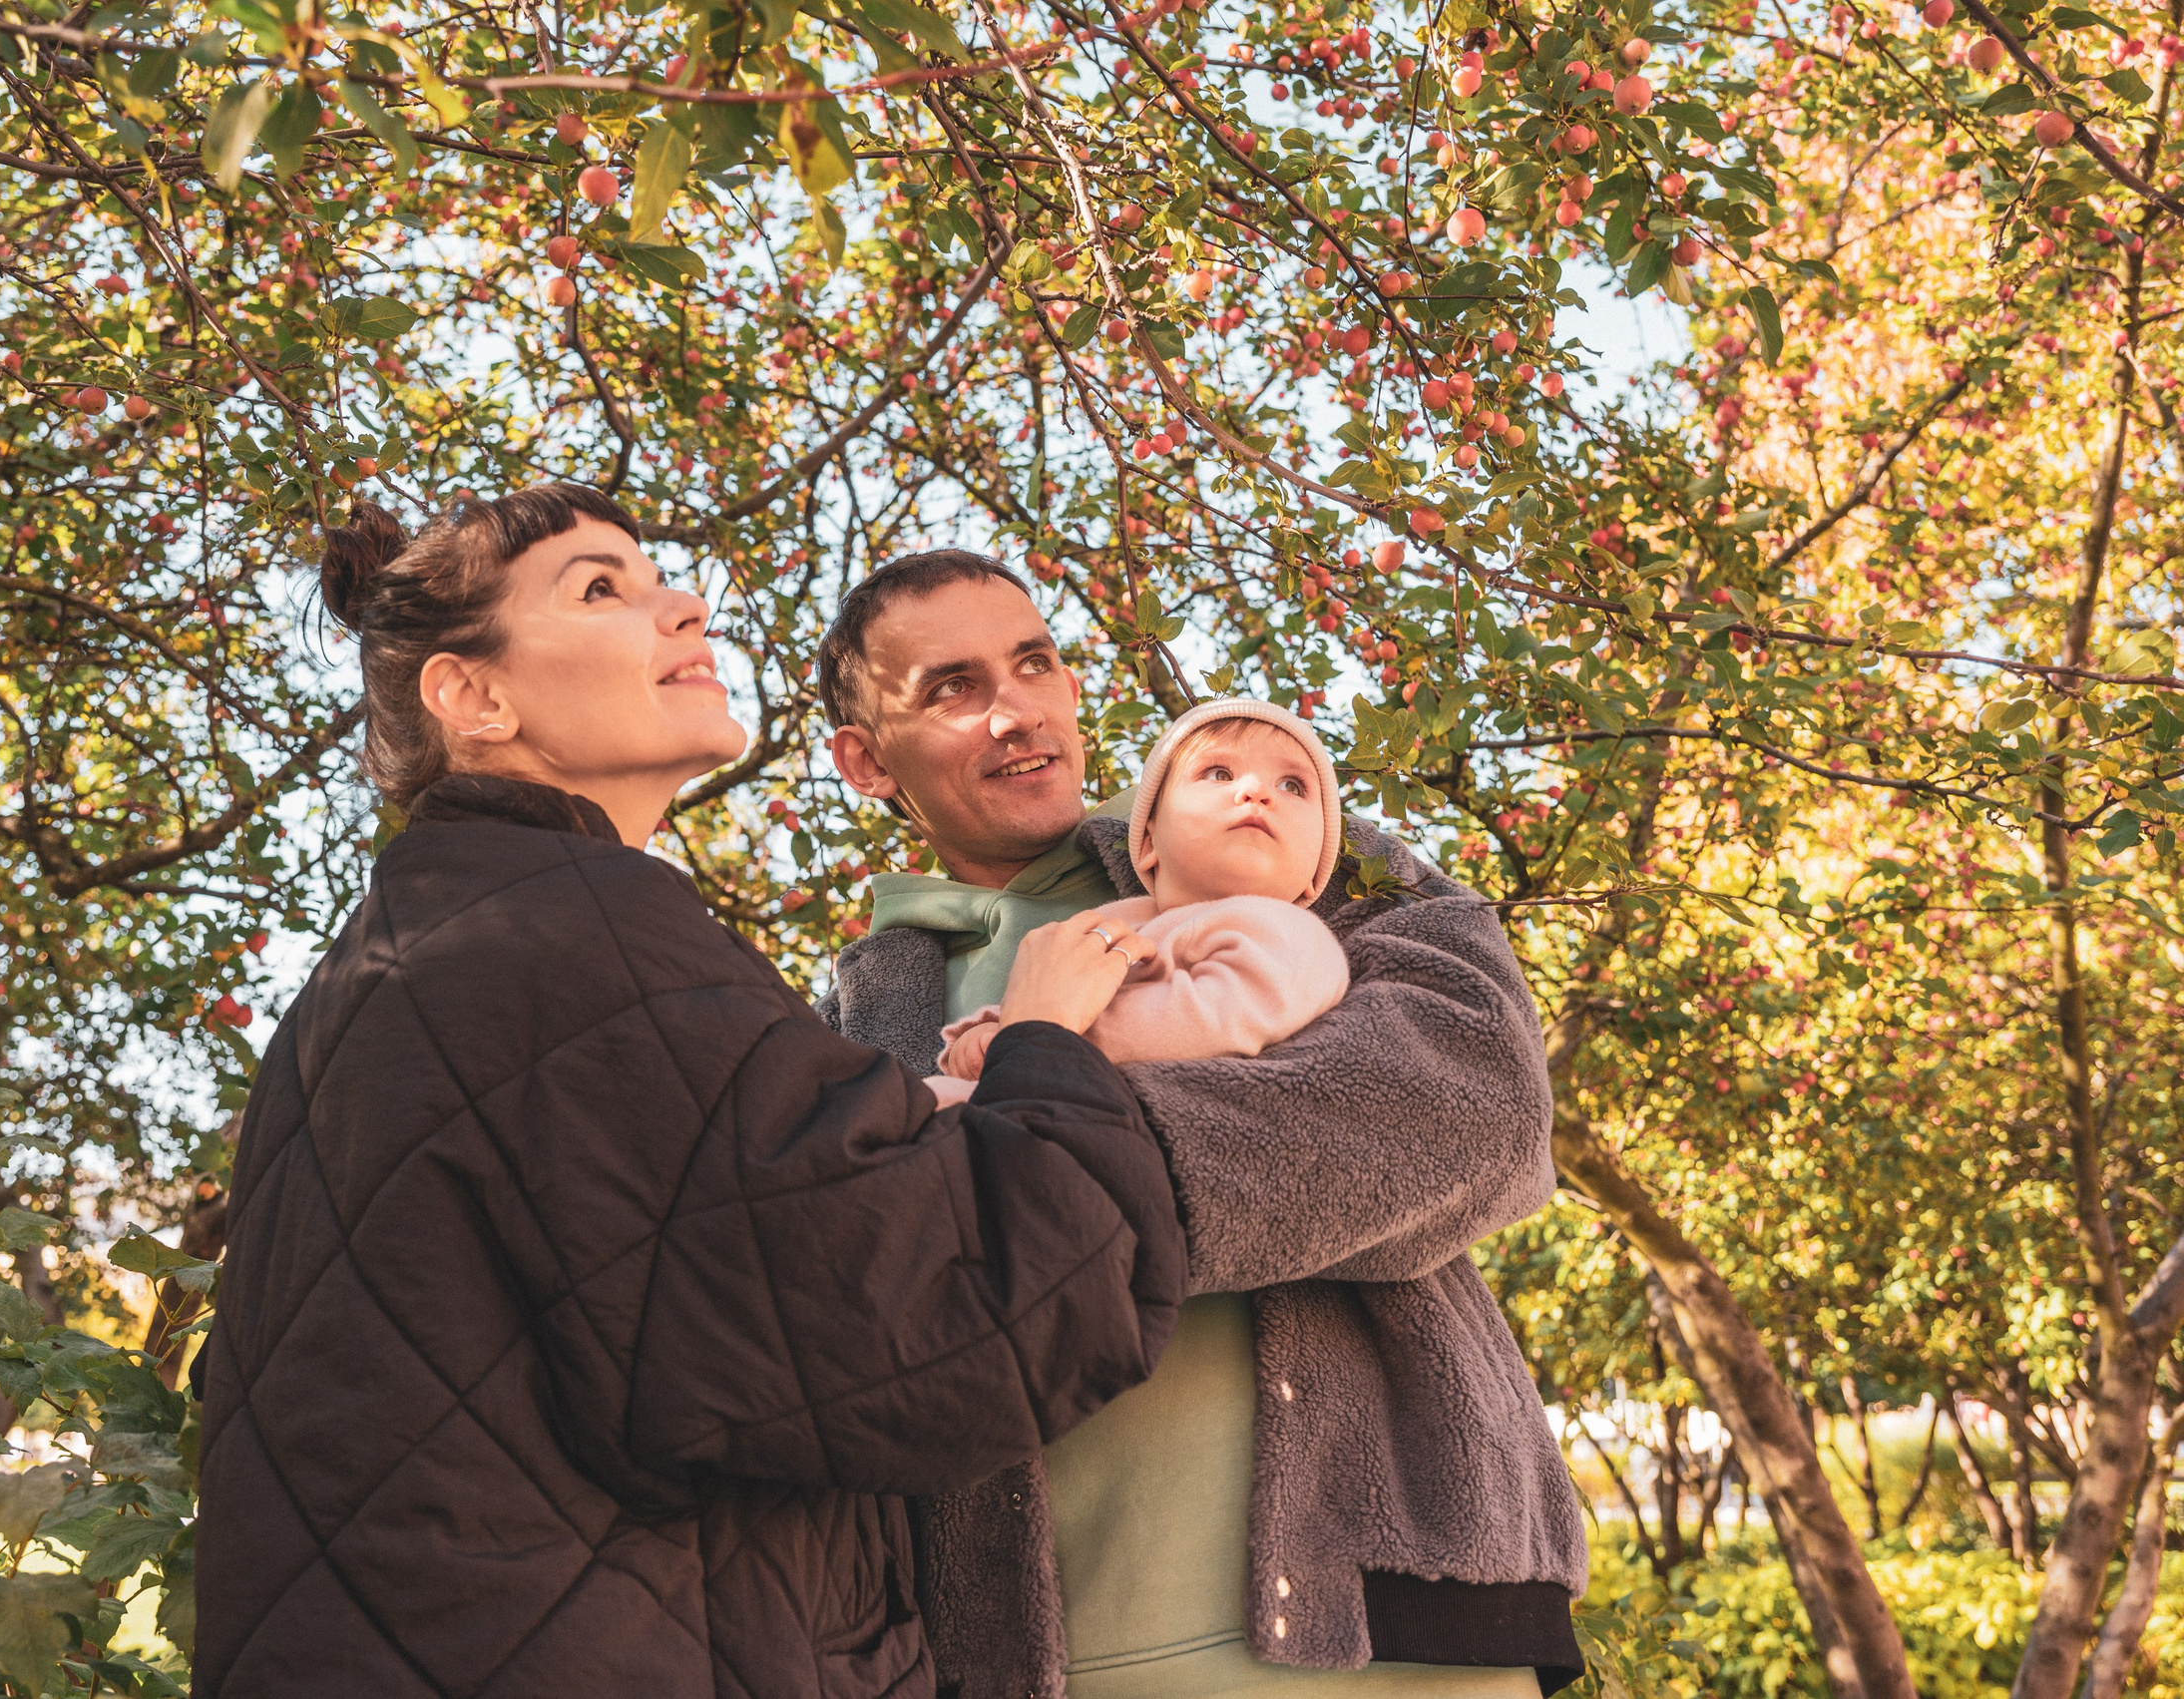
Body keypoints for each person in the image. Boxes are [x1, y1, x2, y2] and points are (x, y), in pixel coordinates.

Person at [196, 488, 1191, 1697]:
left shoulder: (398, 962)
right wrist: (1042, 1041)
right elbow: (967, 1308)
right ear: (475, 697)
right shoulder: (567, 934)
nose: (685, 606)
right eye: (600, 587)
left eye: (657, 574)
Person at [817, 551, 1590, 1698]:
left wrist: (1044, 1156)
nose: (1017, 711)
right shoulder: (849, 1025)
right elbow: (870, 1305)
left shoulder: (1267, 827)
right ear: (865, 760)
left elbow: (1476, 1104)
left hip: (1394, 1626)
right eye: (952, 687)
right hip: (1050, 1662)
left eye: (1034, 663)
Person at [926, 700, 1352, 1103]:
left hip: (1104, 1098)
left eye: (1292, 786)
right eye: (1219, 773)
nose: (1256, 790)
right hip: (1032, 1083)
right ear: (1149, 843)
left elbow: (1230, 1013)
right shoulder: (1118, 919)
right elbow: (1048, 982)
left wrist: (1046, 1030)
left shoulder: (1296, 934)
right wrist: (988, 1029)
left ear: (1315, 873)